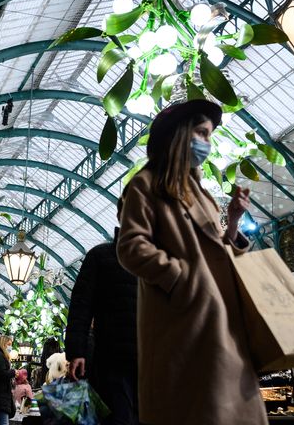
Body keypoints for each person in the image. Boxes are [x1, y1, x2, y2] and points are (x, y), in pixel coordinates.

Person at [117, 99, 262, 425]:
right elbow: (131, 246)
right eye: (201, 133)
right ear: (179, 135)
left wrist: (233, 223)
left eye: (209, 136)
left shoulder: (201, 193)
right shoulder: (145, 185)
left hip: (219, 320)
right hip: (182, 323)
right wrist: (182, 279)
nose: (206, 143)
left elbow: (216, 253)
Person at [66, 195, 138, 425]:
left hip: (152, 362)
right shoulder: (100, 256)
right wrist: (76, 351)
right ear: (120, 216)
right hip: (112, 360)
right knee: (120, 418)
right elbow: (81, 305)